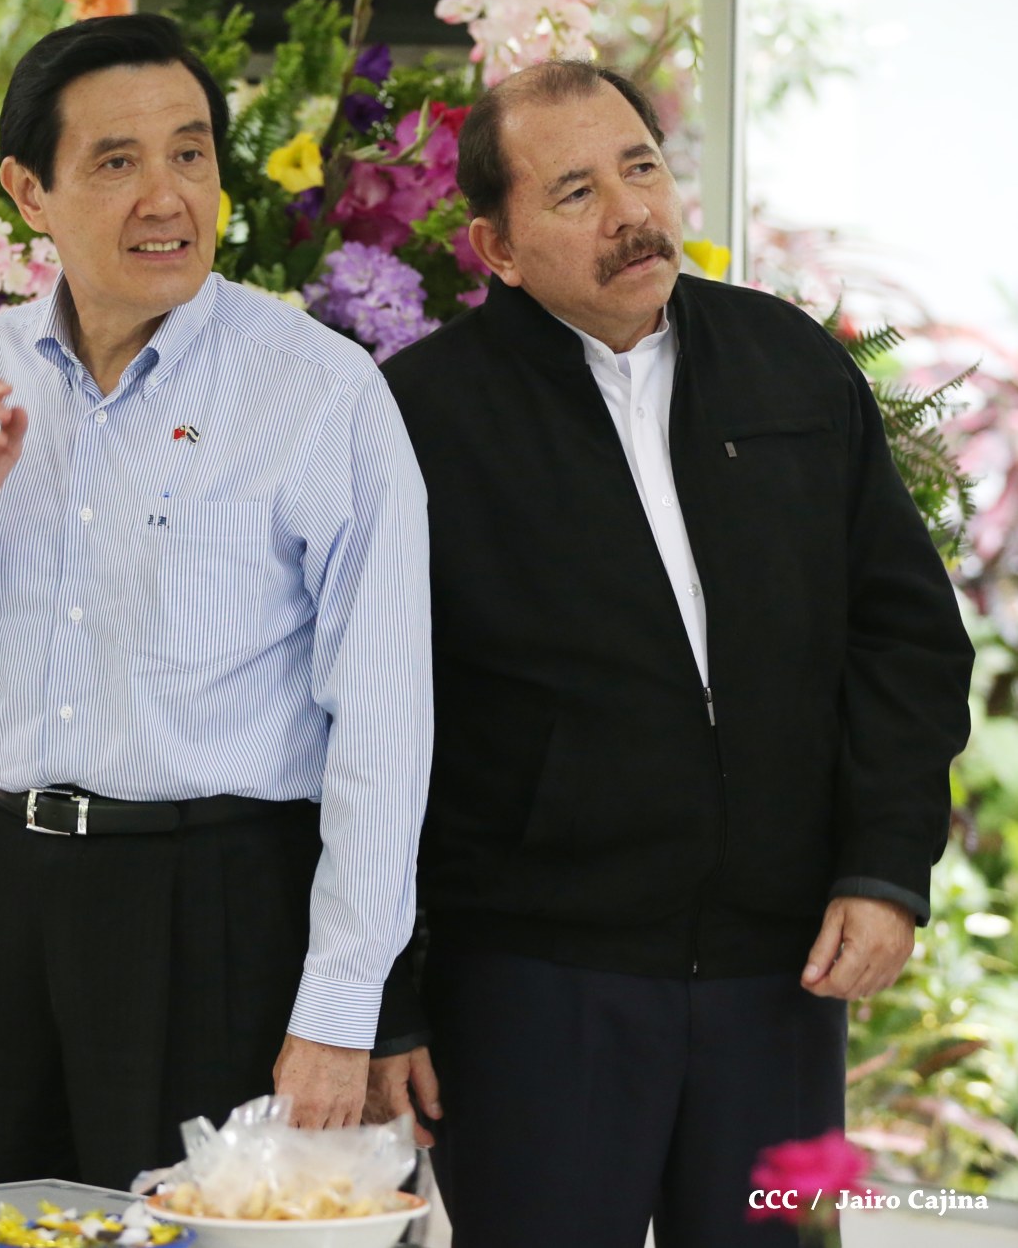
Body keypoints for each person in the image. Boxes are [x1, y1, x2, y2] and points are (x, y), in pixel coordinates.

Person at [0, 13, 432, 1193]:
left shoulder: (323, 390)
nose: (166, 197)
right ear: (27, 192)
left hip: (220, 909)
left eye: (189, 153)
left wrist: (339, 1009)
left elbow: (385, 730)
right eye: (115, 161)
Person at [367, 61, 974, 1247]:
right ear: (495, 248)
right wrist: (383, 1001)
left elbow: (903, 632)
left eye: (639, 167)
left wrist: (884, 866)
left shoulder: (789, 363)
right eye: (576, 191)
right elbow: (360, 724)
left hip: (780, 980)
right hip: (534, 984)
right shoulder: (417, 417)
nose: (630, 212)